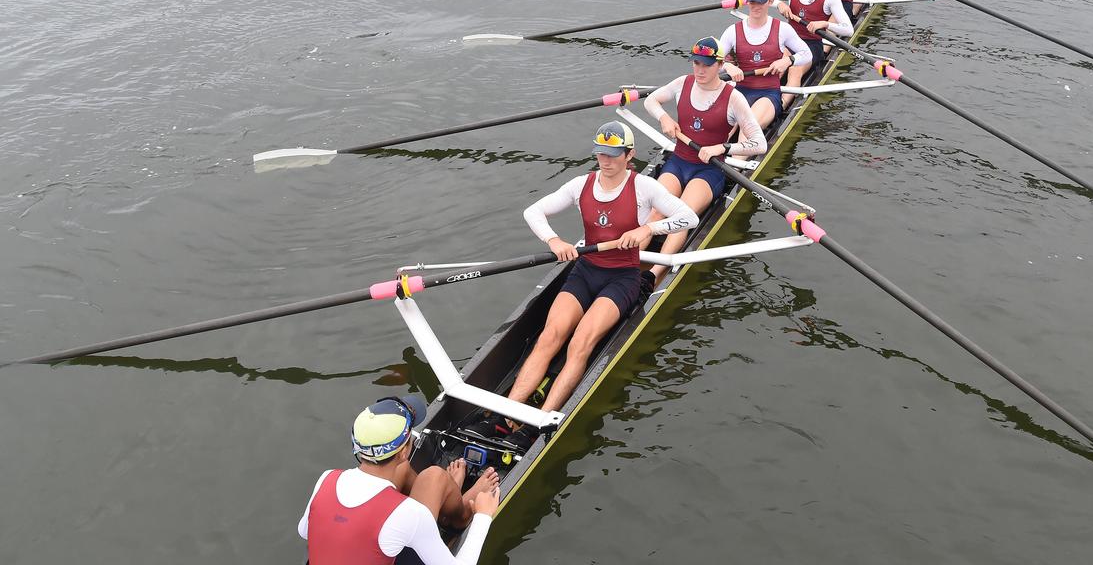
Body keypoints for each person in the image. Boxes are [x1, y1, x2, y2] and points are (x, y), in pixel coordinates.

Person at [467, 121, 699, 450]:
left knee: (580, 342)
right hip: (585, 270)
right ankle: (505, 419)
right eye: (600, 153)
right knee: (550, 336)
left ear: (629, 155)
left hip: (624, 277)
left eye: (613, 154)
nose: (604, 160)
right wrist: (554, 240)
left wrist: (650, 230)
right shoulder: (580, 184)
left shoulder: (645, 187)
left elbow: (690, 218)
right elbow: (533, 211)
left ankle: (537, 425)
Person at [299, 395, 500, 565]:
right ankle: (463, 512)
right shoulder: (409, 513)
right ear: (405, 451)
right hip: (404, 522)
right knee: (434, 477)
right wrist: (484, 515)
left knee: (425, 475)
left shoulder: (327, 478)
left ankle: (448, 491)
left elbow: (305, 532)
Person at [643, 37, 767, 281]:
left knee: (681, 217)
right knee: (656, 212)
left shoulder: (733, 97)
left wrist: (723, 146)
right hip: (678, 162)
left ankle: (654, 275)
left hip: (709, 170)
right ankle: (624, 267)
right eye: (696, 63)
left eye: (707, 65)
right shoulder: (683, 83)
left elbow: (759, 143)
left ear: (720, 65)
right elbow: (650, 100)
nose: (699, 69)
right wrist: (664, 118)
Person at [718, 0, 812, 128]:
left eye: (760, 2)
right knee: (714, 124)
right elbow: (714, 63)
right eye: (753, 2)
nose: (756, 6)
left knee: (749, 126)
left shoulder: (782, 29)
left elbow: (807, 54)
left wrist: (788, 61)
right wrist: (728, 66)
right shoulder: (732, 31)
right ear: (747, 2)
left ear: (769, 2)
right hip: (741, 90)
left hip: (768, 92)